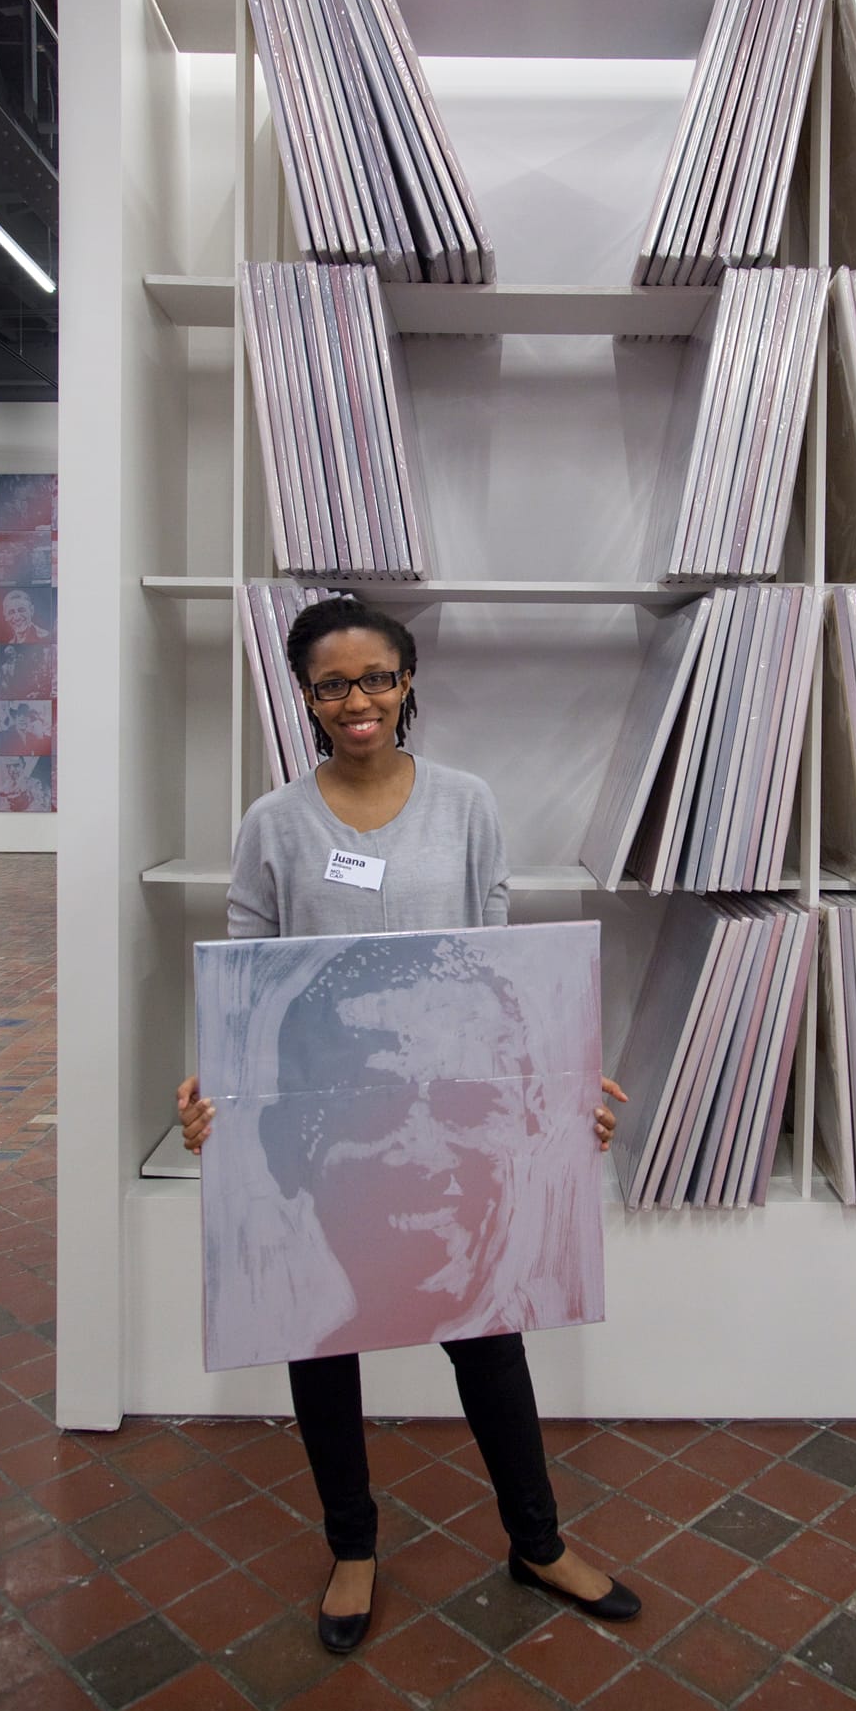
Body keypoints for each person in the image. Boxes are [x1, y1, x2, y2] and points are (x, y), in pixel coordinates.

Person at [177, 594, 638, 1653]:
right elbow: (245, 983)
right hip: (332, 1128)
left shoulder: (468, 805)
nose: (357, 701)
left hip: (445, 1118)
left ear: (408, 683)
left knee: (486, 1331)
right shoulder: (273, 824)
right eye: (333, 683)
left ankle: (536, 1540)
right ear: (303, 695)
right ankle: (351, 1547)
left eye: (376, 678)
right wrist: (217, 1101)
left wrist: (564, 1089)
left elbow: (504, 969)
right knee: (318, 1334)